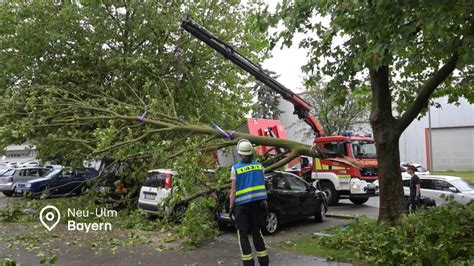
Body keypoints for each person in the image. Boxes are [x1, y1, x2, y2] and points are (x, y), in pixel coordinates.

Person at [229, 139, 269, 266]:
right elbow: (262, 184)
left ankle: (248, 263)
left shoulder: (235, 169)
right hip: (257, 205)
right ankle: (264, 262)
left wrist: (231, 207)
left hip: (241, 207)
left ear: (240, 154)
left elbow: (233, 190)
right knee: (257, 232)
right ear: (251, 153)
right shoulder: (259, 166)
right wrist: (264, 201)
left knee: (243, 235)